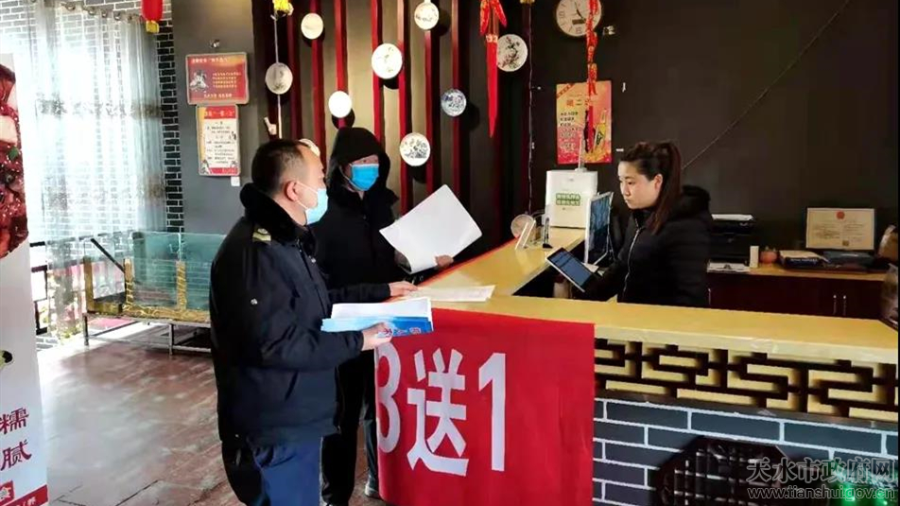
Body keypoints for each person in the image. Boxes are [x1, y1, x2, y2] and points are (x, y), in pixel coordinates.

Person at [209, 139, 416, 506]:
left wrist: (381, 291)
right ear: (294, 190)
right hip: (274, 429)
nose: (324, 189)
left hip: (297, 418)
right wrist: (358, 341)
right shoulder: (256, 254)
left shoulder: (287, 241)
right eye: (320, 180)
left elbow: (319, 301)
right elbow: (276, 345)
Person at [312, 127, 452, 506]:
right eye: (361, 161)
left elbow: (392, 257)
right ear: (341, 166)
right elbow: (323, 282)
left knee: (380, 405)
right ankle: (335, 495)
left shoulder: (379, 205)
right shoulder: (323, 212)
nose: (369, 168)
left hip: (385, 319)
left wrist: (423, 262)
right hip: (343, 324)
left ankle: (379, 479)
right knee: (341, 416)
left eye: (375, 161)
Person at [583, 141, 712, 307]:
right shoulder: (640, 215)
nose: (624, 191)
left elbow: (688, 300)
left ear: (657, 181)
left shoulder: (687, 226)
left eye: (631, 182)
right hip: (631, 316)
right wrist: (584, 300)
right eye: (621, 181)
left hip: (655, 322)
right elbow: (623, 266)